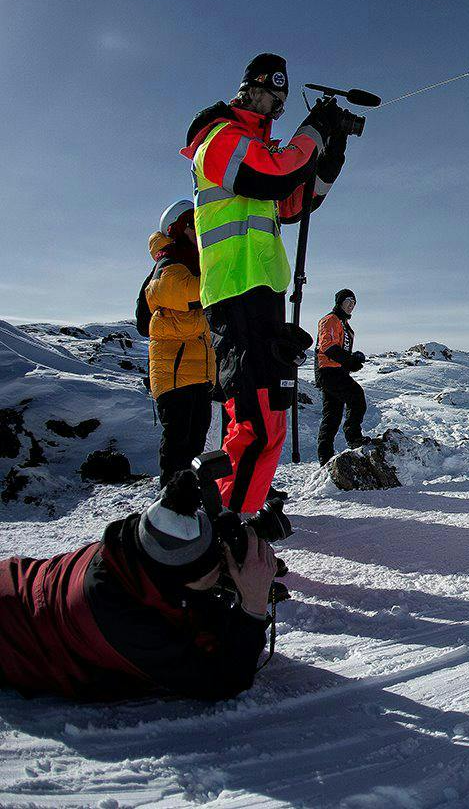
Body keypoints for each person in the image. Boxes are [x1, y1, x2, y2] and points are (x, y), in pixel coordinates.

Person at [181, 53, 349, 515]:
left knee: (266, 419)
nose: (278, 103)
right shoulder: (218, 137)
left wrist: (329, 159)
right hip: (236, 295)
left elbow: (294, 202)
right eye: (272, 93)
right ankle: (227, 536)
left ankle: (235, 516)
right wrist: (313, 132)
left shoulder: (261, 147)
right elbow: (267, 176)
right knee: (257, 423)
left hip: (261, 297)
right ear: (249, 88)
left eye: (284, 98)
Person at [0, 472, 275, 701]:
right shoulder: (122, 619)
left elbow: (187, 605)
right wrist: (252, 606)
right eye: (216, 564)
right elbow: (220, 681)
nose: (223, 566)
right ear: (183, 582)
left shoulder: (136, 544)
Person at [145, 198, 215, 485]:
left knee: (195, 443)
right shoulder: (169, 264)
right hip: (175, 375)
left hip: (197, 373)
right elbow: (188, 298)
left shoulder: (191, 262)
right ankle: (171, 504)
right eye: (192, 224)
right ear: (179, 228)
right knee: (178, 444)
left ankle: (190, 500)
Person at [316, 288, 368, 465]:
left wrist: (353, 360)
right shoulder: (330, 320)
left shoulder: (345, 325)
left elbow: (341, 352)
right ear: (339, 303)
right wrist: (350, 361)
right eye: (348, 302)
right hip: (329, 371)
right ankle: (354, 438)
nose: (351, 306)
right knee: (357, 398)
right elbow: (328, 347)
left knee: (332, 415)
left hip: (336, 371)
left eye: (354, 303)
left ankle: (325, 457)